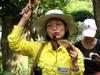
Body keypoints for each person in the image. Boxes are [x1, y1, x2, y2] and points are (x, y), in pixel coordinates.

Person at [7, 0, 84, 75]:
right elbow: (14, 43)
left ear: (66, 28)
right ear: (46, 31)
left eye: (58, 24)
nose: (54, 28)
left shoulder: (75, 53)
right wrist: (24, 18)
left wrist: (74, 63)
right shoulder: (38, 48)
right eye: (49, 25)